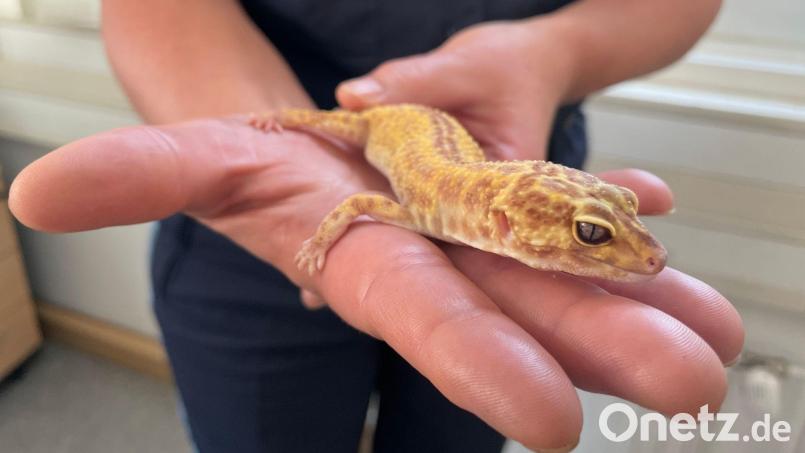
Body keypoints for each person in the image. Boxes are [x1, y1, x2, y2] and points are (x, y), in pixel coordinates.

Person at [10, 1, 744, 452]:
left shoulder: (484, 205)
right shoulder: (424, 204)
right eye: (593, 233)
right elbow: (357, 203)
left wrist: (552, 54)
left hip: (504, 132)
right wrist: (316, 235)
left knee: (462, 421)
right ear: (497, 220)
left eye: (603, 228)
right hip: (290, 190)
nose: (635, 252)